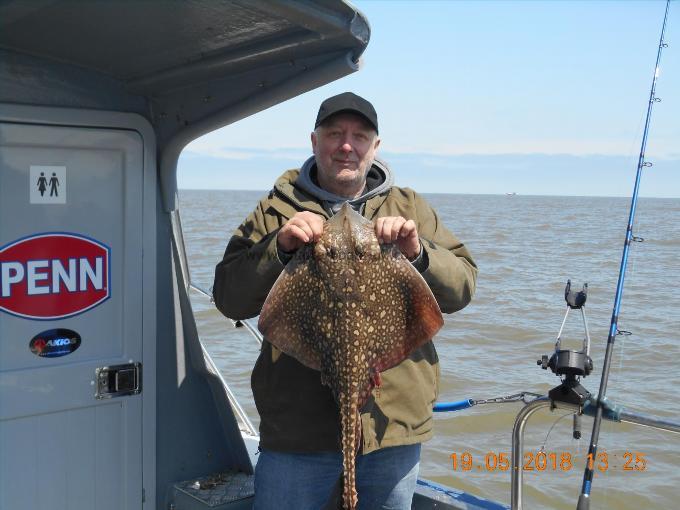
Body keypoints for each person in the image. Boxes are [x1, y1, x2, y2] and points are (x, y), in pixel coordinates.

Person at [213, 92, 477, 509]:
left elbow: (462, 287)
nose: (346, 145)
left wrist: (417, 252)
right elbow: (228, 297)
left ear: (376, 147)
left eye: (359, 135)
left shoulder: (408, 206)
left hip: (392, 430)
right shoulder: (276, 208)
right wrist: (279, 246)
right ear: (314, 141)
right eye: (334, 133)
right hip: (298, 433)